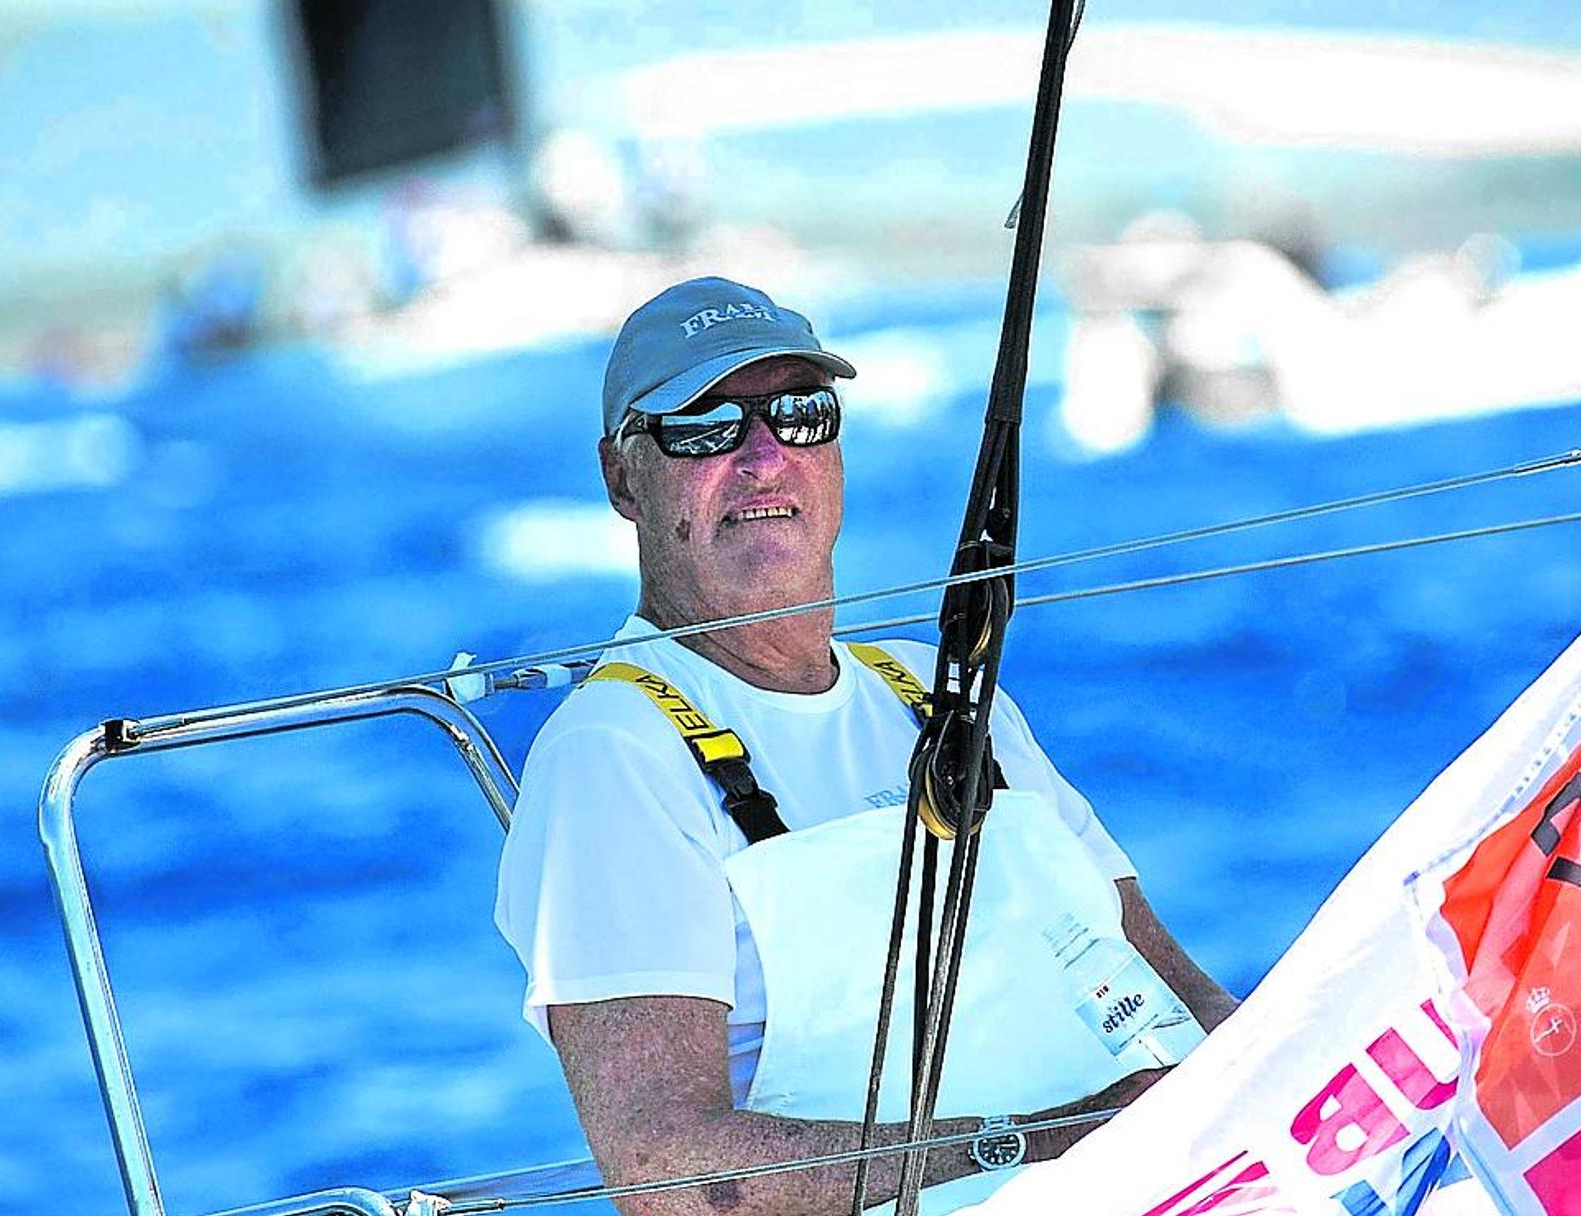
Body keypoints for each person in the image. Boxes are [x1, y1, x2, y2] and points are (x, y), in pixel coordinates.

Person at [497, 276, 1235, 1216]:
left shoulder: (935, 685)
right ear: (622, 479)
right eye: (702, 425)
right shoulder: (613, 757)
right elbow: (670, 1171)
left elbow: (1165, 976)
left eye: (799, 412)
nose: (763, 456)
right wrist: (1053, 1139)